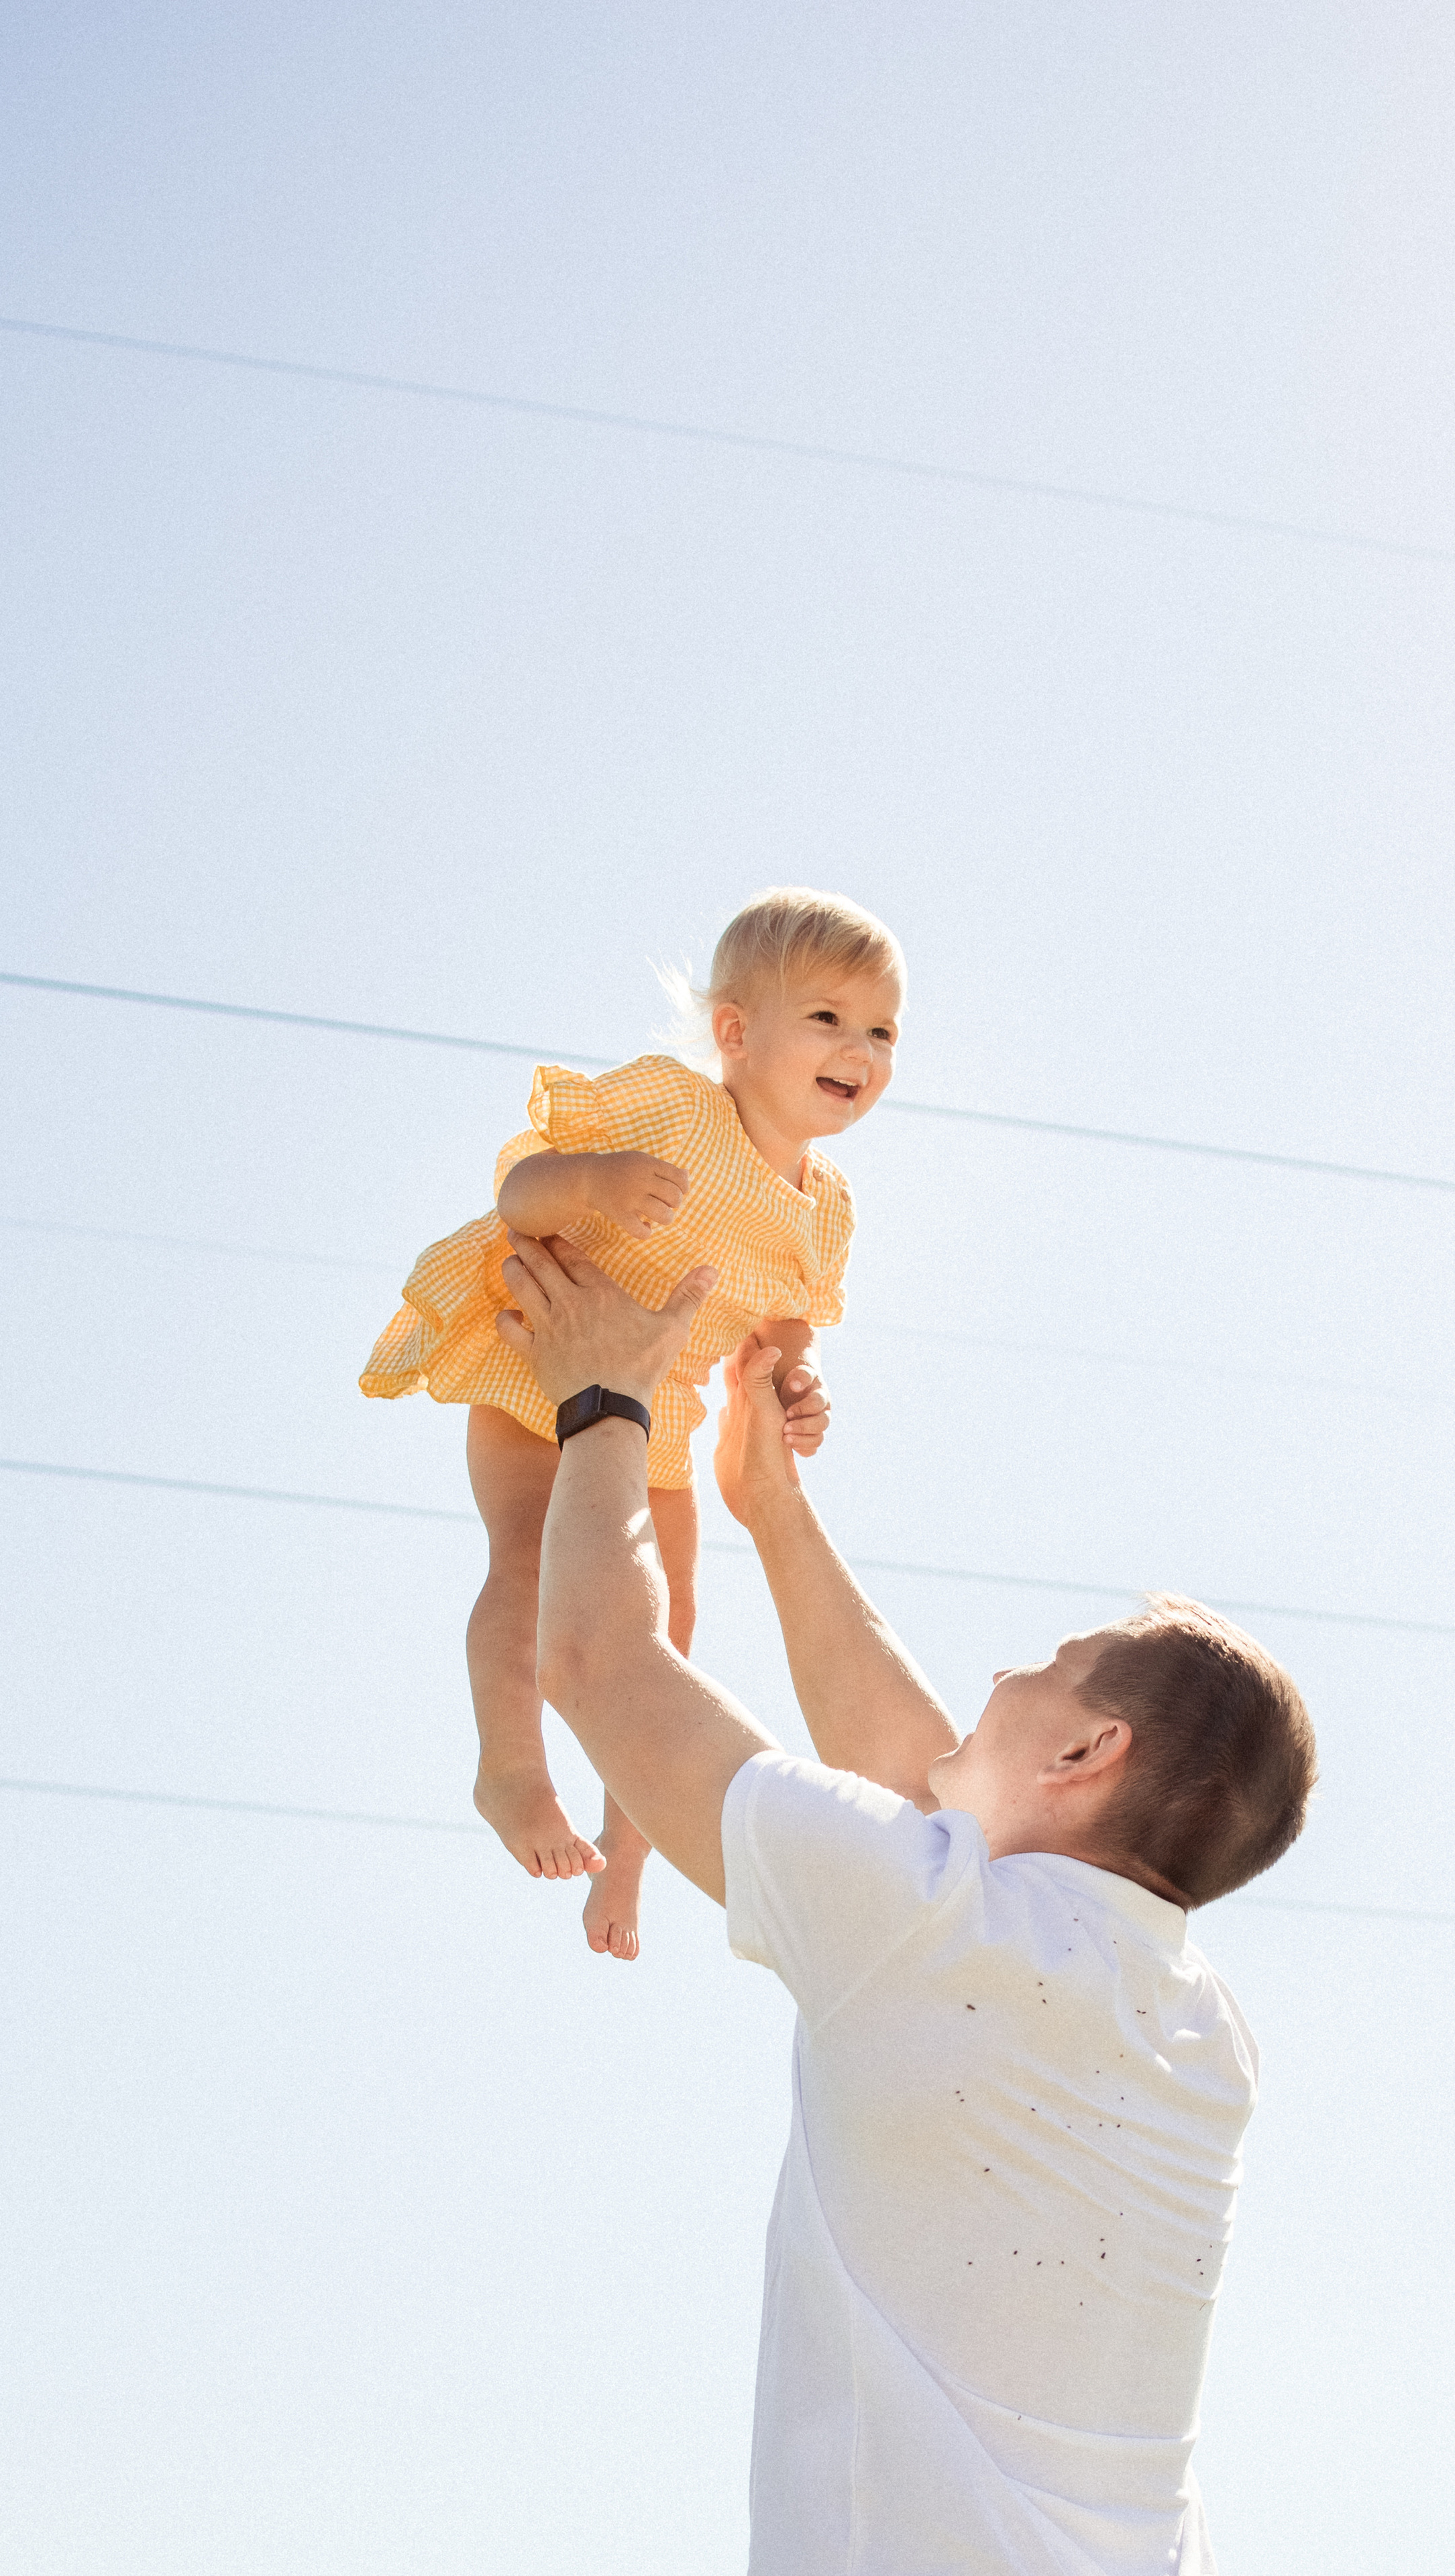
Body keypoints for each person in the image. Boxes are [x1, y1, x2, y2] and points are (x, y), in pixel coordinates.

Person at [495, 1226, 1317, 2576]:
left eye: (1048, 1665)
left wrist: (604, 1396)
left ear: (1085, 1750)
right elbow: (933, 1816)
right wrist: (770, 1506)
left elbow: (596, 1665)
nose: (1000, 1676)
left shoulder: (936, 1930)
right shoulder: (1195, 2030)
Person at [360, 887, 905, 1960]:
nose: (862, 1049)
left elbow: (790, 1321)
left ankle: (631, 1848)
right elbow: (523, 1190)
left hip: (657, 1413)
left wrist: (797, 1378)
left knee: (667, 1623)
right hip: (539, 1361)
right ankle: (511, 1766)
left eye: (883, 1031)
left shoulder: (826, 1206)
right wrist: (594, 1182)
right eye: (829, 1018)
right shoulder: (672, 1111)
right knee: (531, 1561)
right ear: (736, 1032)